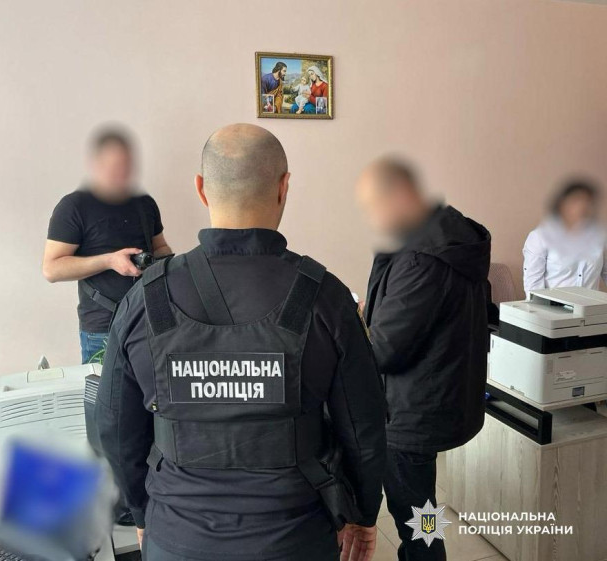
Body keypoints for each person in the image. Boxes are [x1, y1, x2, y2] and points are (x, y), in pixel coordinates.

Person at [95, 123, 387, 561]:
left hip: (177, 538)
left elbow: (116, 429)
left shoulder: (146, 300)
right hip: (295, 540)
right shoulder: (324, 297)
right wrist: (362, 514)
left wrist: (142, 514)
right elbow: (364, 427)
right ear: (284, 187)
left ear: (201, 188)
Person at [356, 157, 491, 561]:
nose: (373, 217)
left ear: (401, 196)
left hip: (411, 413)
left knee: (417, 524)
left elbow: (385, 349)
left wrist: (353, 332)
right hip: (432, 400)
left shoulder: (422, 259)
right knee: (423, 510)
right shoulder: (445, 235)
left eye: (375, 206)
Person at [43, 127, 172, 364]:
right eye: (114, 166)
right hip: (101, 329)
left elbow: (160, 247)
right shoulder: (73, 207)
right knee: (101, 389)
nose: (121, 173)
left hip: (148, 321)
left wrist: (166, 263)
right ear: (96, 164)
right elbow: (52, 269)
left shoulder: (145, 203)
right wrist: (109, 261)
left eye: (126, 165)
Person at [523, 179, 606, 293]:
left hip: (590, 303)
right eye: (576, 201)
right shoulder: (540, 237)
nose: (583, 206)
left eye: (588, 202)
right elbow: (533, 286)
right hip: (552, 304)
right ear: (562, 204)